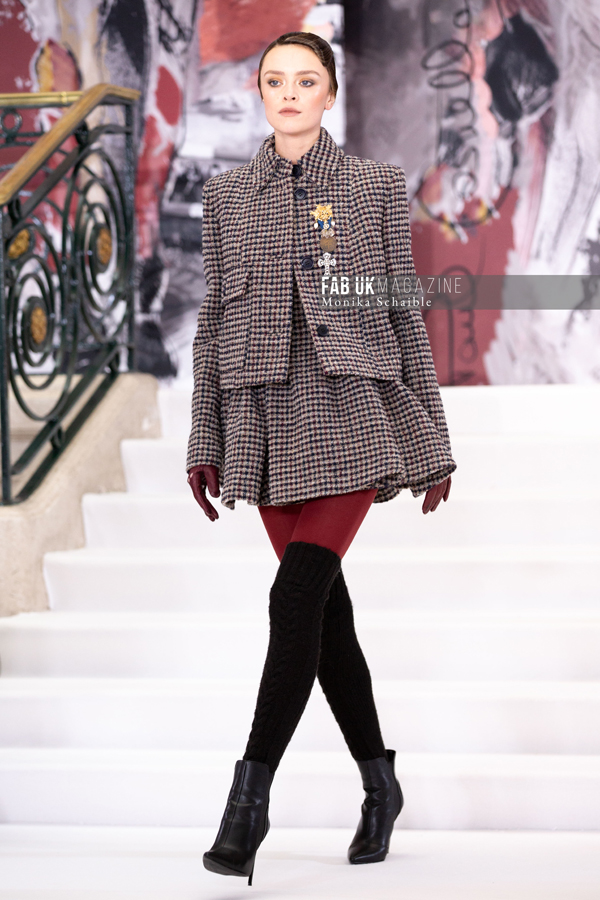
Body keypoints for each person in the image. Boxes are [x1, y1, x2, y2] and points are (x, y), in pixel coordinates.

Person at [186, 31, 456, 886]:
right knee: (325, 618)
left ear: (330, 93)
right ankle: (381, 783)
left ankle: (247, 805)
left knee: (294, 595)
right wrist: (205, 438)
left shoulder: (373, 186)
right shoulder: (226, 197)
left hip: (351, 410)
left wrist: (433, 437)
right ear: (261, 93)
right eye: (276, 81)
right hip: (264, 418)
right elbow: (212, 324)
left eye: (307, 80)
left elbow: (404, 311)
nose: (290, 93)